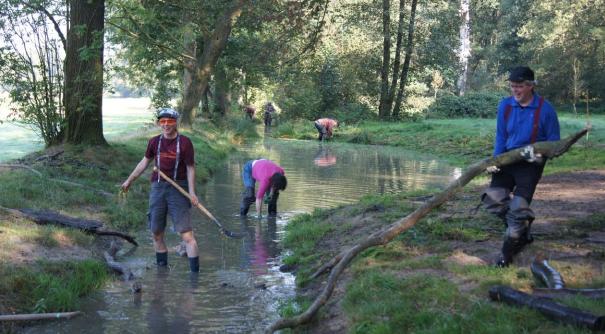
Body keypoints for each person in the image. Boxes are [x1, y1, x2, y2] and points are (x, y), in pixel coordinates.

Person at [481, 66, 560, 268]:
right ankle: (522, 230)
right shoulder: (505, 106)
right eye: (513, 86)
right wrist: (495, 161)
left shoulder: (546, 110)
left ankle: (505, 257)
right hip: (507, 161)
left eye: (520, 86)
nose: (515, 90)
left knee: (517, 209)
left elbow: (555, 145)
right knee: (492, 199)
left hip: (530, 166)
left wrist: (539, 154)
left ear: (531, 86)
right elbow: (501, 136)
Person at [121, 107, 200, 272]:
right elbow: (144, 162)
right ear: (158, 123)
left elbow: (190, 168)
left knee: (187, 236)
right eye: (162, 121)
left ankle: (195, 278)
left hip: (179, 188)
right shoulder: (154, 142)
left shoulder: (185, 143)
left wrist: (192, 192)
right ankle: (162, 273)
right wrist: (130, 180)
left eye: (169, 121)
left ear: (175, 123)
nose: (166, 125)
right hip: (158, 188)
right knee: (156, 233)